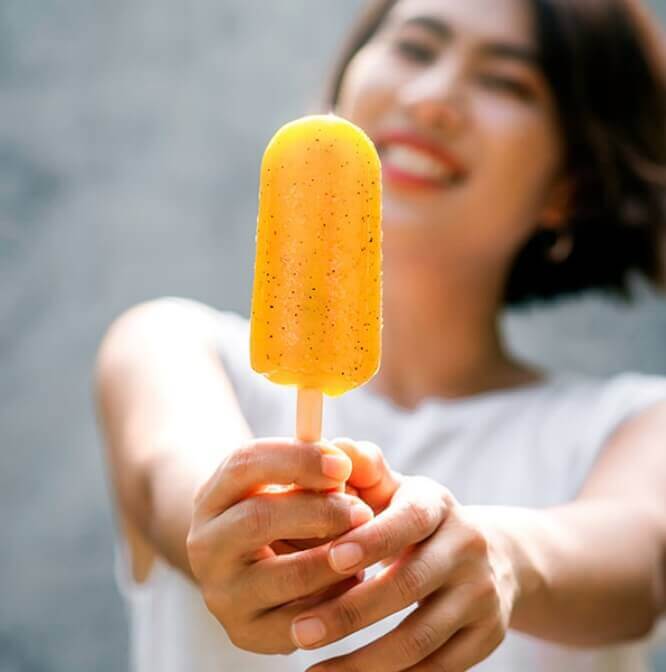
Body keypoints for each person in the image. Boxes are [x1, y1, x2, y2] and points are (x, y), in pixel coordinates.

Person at [95, 0, 666, 670]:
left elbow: (641, 566)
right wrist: (234, 523)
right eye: (416, 49)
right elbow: (176, 478)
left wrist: (507, 559)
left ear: (571, 185)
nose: (432, 99)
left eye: (507, 83)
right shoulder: (175, 349)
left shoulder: (634, 425)